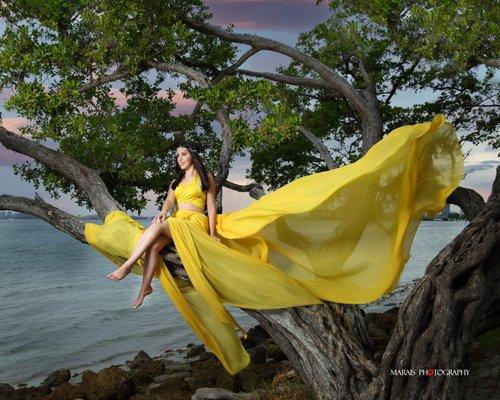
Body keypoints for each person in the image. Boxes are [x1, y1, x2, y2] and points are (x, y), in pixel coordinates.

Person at [106, 141, 219, 309]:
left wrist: (213, 233)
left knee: (158, 227)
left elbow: (211, 206)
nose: (180, 159)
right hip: (177, 219)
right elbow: (169, 200)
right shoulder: (176, 181)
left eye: (184, 154)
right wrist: (163, 211)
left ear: (193, 156)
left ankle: (127, 265)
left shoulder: (205, 177)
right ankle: (145, 288)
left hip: (195, 221)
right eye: (178, 156)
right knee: (153, 247)